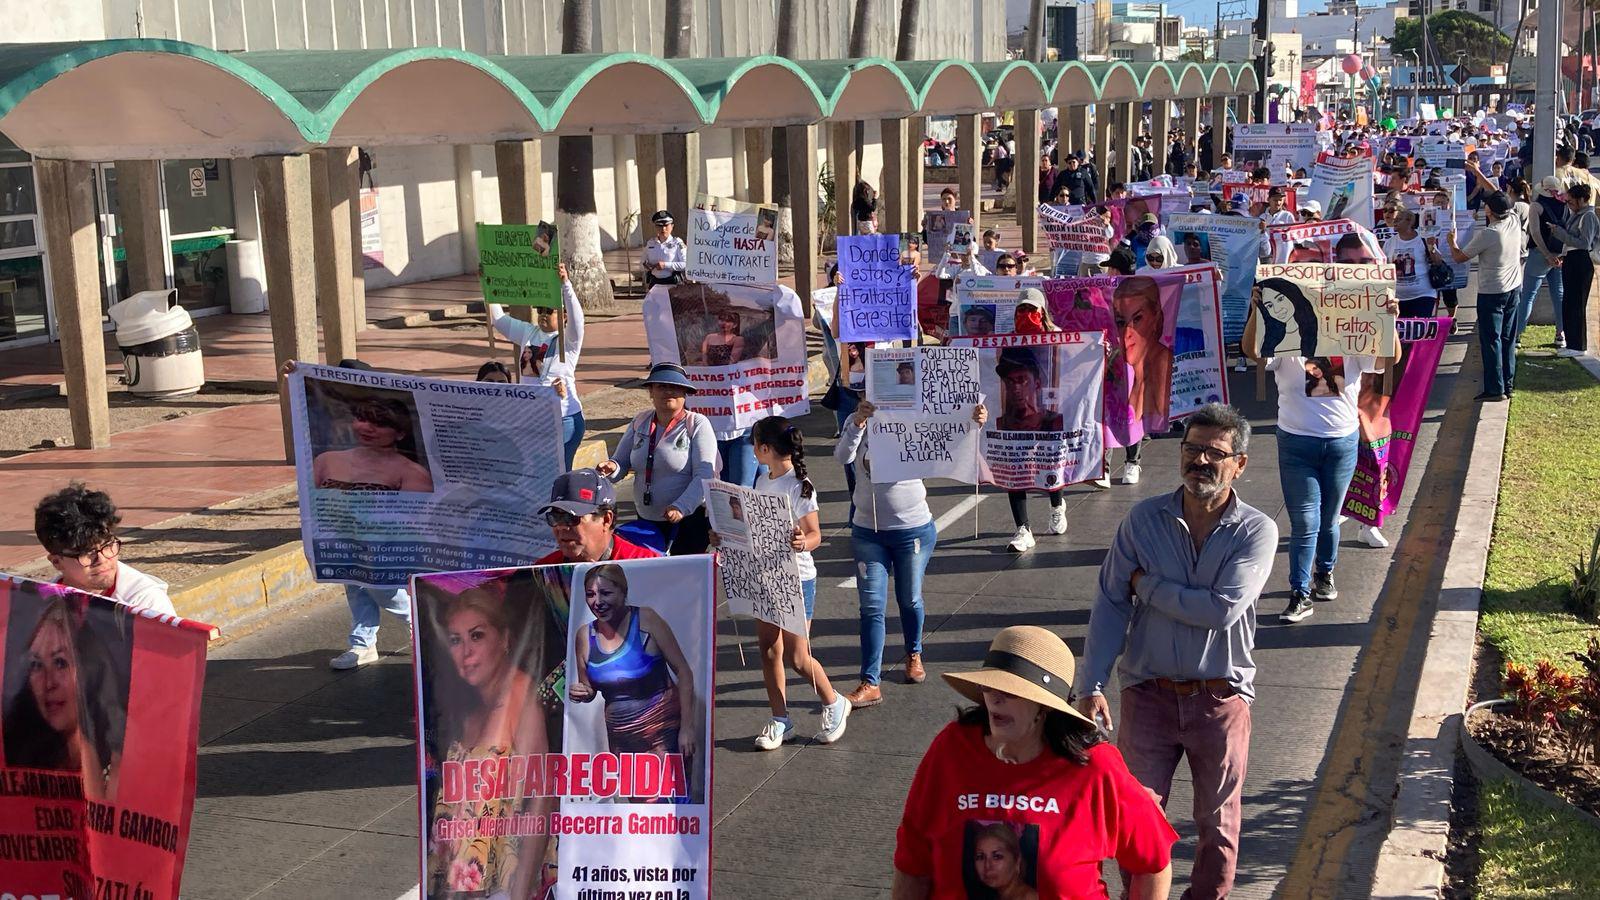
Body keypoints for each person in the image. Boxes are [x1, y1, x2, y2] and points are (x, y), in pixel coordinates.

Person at [1073, 404, 1277, 900]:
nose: (1200, 460)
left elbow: (1220, 611)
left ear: (1240, 464)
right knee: (1134, 820)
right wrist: (1091, 684)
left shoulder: (1256, 531)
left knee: (1218, 828)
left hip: (1220, 700)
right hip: (1148, 695)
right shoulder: (1142, 520)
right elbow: (1110, 603)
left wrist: (1147, 584)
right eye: (1192, 449)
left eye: (1215, 453)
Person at [896, 626, 1177, 899]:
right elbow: (913, 860)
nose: (995, 698)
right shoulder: (952, 749)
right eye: (989, 686)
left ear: (1044, 707)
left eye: (1011, 690)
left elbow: (1154, 863)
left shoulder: (1095, 767)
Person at [1245, 296, 1400, 624]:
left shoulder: (1351, 339)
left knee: (1329, 518)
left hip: (1341, 445)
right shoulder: (1286, 340)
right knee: (1304, 522)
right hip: (1296, 446)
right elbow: (1253, 352)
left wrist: (1389, 323)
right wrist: (1256, 313)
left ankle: (1324, 573)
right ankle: (1299, 593)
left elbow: (1388, 361)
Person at [837, 398, 987, 708]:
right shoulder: (858, 421)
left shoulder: (916, 420)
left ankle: (913, 652)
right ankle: (870, 681)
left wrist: (974, 422)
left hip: (912, 531)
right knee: (871, 607)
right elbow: (842, 455)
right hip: (868, 532)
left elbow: (950, 440)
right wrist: (857, 424)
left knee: (909, 598)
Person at [428, 588, 552, 898]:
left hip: (505, 882)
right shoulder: (465, 703)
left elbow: (542, 798)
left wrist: (520, 892)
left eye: (477, 636)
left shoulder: (520, 693)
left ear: (505, 639)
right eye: (455, 640)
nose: (466, 653)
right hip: (464, 880)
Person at [738, 416, 851, 749]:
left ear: (766, 448)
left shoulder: (799, 486)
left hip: (796, 578)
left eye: (755, 443)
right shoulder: (762, 482)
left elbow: (815, 535)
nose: (753, 449)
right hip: (766, 574)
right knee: (769, 649)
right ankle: (780, 719)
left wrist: (803, 542)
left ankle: (833, 702)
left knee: (798, 657)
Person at [568, 564, 701, 802]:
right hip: (622, 740)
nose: (597, 601)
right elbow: (589, 688)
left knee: (670, 803)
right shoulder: (584, 636)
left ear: (623, 592)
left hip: (662, 732)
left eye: (605, 593)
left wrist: (687, 728)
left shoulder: (646, 620)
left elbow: (684, 672)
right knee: (640, 806)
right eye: (590, 594)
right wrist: (582, 692)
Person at [3, 596, 128, 801]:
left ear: (87, 670)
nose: (48, 683)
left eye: (60, 663)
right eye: (35, 665)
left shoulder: (123, 758)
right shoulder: (23, 764)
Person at [599, 363, 717, 555]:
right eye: (661, 386)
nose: (668, 391)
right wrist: (610, 467)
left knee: (683, 580)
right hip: (645, 521)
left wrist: (681, 507)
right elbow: (620, 462)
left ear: (685, 393)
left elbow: (704, 476)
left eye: (675, 387)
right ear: (651, 392)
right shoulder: (640, 421)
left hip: (686, 522)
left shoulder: (697, 424)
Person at [486, 261, 587, 467]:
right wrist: (487, 284)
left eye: (548, 310)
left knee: (558, 473)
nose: (542, 313)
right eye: (539, 308)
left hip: (564, 419)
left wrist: (565, 284)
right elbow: (498, 320)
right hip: (533, 419)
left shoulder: (568, 341)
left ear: (562, 315)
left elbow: (578, 320)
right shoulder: (528, 332)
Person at [34, 483, 174, 616]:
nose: (102, 559)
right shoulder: (38, 602)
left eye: (107, 545)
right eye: (86, 553)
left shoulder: (146, 605)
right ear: (56, 562)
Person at [1004, 289, 1067, 554]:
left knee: (1049, 462)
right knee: (1013, 467)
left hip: (1049, 410)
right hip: (1016, 414)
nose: (1025, 315)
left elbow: (1078, 364)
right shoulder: (1007, 341)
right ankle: (1023, 529)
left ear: (1042, 312)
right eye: (1020, 310)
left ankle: (1057, 506)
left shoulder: (1060, 337)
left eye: (1031, 309)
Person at [1446, 191, 1524, 400]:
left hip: (1492, 293)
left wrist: (1452, 241)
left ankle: (1494, 388)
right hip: (1513, 288)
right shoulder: (1513, 220)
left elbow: (1460, 257)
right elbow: (1500, 198)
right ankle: (1508, 385)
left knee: (1491, 340)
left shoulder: (1489, 233)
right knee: (1507, 339)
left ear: (1489, 210)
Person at [311, 395, 434, 493]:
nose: (367, 428)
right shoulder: (325, 460)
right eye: (362, 419)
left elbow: (414, 519)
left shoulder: (413, 473)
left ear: (400, 433)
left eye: (380, 424)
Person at [534, 469, 660, 565]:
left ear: (606, 520)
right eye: (555, 517)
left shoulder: (651, 568)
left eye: (571, 517)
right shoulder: (541, 573)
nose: (561, 526)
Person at [1113, 276, 1174, 434]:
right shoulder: (1132, 370)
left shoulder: (1162, 363)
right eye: (1120, 322)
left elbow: (1163, 424)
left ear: (1155, 318)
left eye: (1137, 319)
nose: (1127, 333)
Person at [1547, 181, 1598, 358]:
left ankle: (1578, 345)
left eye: (1571, 201)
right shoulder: (1576, 215)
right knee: (1569, 302)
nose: (1568, 204)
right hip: (1571, 259)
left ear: (1582, 200)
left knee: (1576, 304)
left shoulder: (1588, 216)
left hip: (1581, 261)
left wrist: (1560, 233)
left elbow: (1584, 243)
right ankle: (1571, 342)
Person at [1519, 176, 1567, 348]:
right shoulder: (1565, 206)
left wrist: (1546, 254)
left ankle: (1517, 335)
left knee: (1528, 296)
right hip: (1560, 255)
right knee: (1559, 296)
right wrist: (1559, 255)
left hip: (1540, 255)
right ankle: (1561, 334)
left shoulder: (1536, 206)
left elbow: (1535, 233)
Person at [1382, 207, 1441, 318]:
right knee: (1401, 334)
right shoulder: (1389, 243)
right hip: (1397, 298)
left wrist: (1431, 247)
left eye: (1399, 219)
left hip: (1423, 295)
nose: (1394, 221)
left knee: (1418, 333)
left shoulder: (1423, 239)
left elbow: (1438, 262)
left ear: (1409, 222)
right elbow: (1384, 268)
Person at [996, 352, 1063, 432]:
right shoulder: (1000, 425)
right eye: (1009, 382)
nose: (1015, 388)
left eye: (1022, 380)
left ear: (1037, 384)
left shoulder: (1056, 423)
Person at [642, 210, 686, 286]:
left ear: (672, 226)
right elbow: (642, 262)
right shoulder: (650, 243)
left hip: (672, 283)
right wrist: (646, 266)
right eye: (660, 226)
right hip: (655, 283)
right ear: (655, 227)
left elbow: (685, 264)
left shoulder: (677, 243)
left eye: (666, 225)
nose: (663, 229)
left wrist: (665, 265)